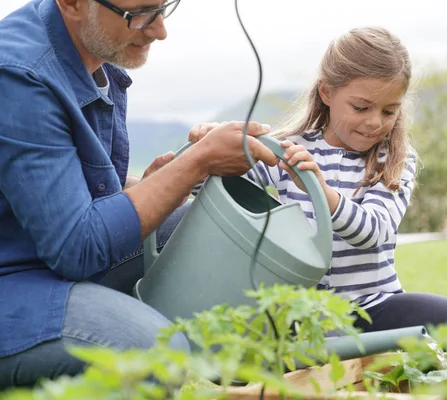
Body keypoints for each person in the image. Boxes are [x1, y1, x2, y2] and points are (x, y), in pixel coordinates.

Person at [0, 0, 278, 389]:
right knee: (158, 353)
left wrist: (151, 186)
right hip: (14, 281)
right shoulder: (19, 78)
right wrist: (195, 164)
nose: (160, 30)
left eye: (164, 7)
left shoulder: (96, 53)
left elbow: (56, 195)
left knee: (232, 237)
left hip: (44, 257)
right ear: (73, 3)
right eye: (140, 13)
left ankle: (229, 373)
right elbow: (76, 249)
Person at [191, 26, 447, 334]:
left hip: (373, 308)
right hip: (299, 314)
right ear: (326, 92)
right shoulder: (287, 149)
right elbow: (211, 191)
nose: (375, 122)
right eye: (361, 107)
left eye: (389, 111)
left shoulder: (394, 159)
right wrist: (204, 150)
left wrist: (318, 189)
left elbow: (373, 231)